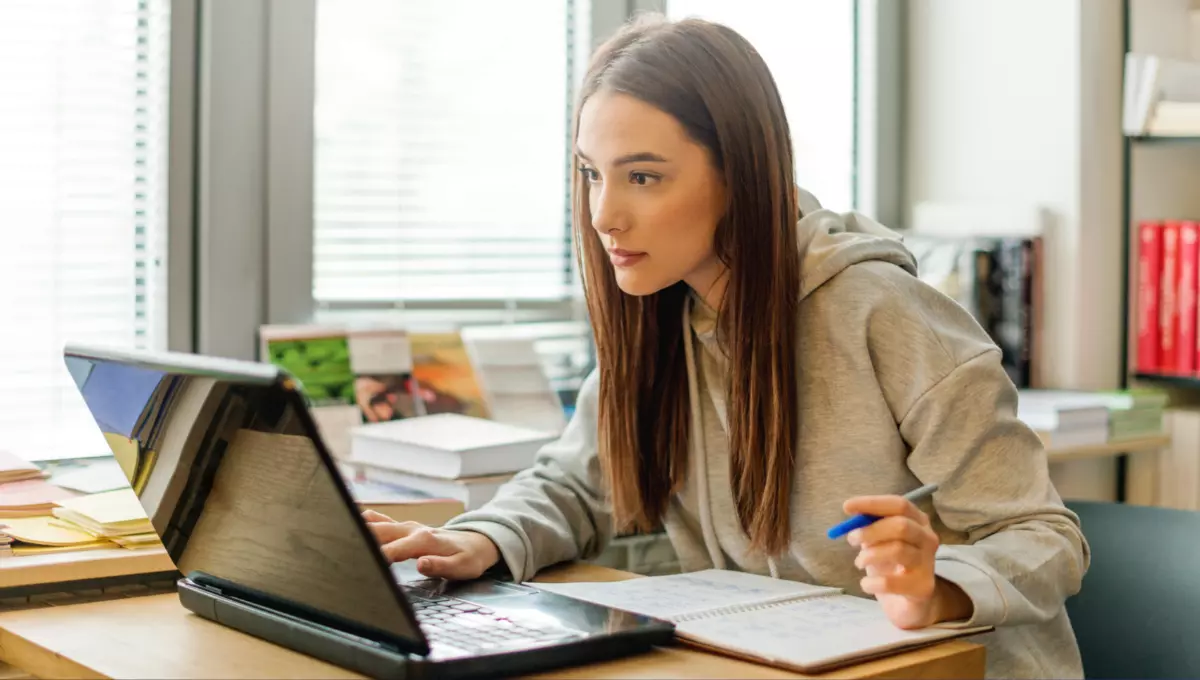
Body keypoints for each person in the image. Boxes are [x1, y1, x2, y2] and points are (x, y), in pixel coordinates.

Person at [362, 13, 1088, 679]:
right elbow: (576, 485)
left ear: (739, 173)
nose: (604, 214)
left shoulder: (881, 312)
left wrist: (939, 588)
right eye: (591, 173)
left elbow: (1044, 534)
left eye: (642, 176)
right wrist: (480, 541)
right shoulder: (660, 314)